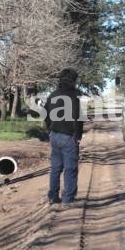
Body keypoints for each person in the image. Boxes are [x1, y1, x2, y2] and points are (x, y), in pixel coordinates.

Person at [44, 69, 83, 206]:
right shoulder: (73, 96)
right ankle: (68, 199)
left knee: (55, 167)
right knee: (70, 168)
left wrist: (50, 130)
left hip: (54, 136)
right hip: (68, 137)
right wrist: (78, 136)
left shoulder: (52, 95)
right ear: (72, 80)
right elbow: (78, 118)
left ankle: (53, 196)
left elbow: (46, 115)